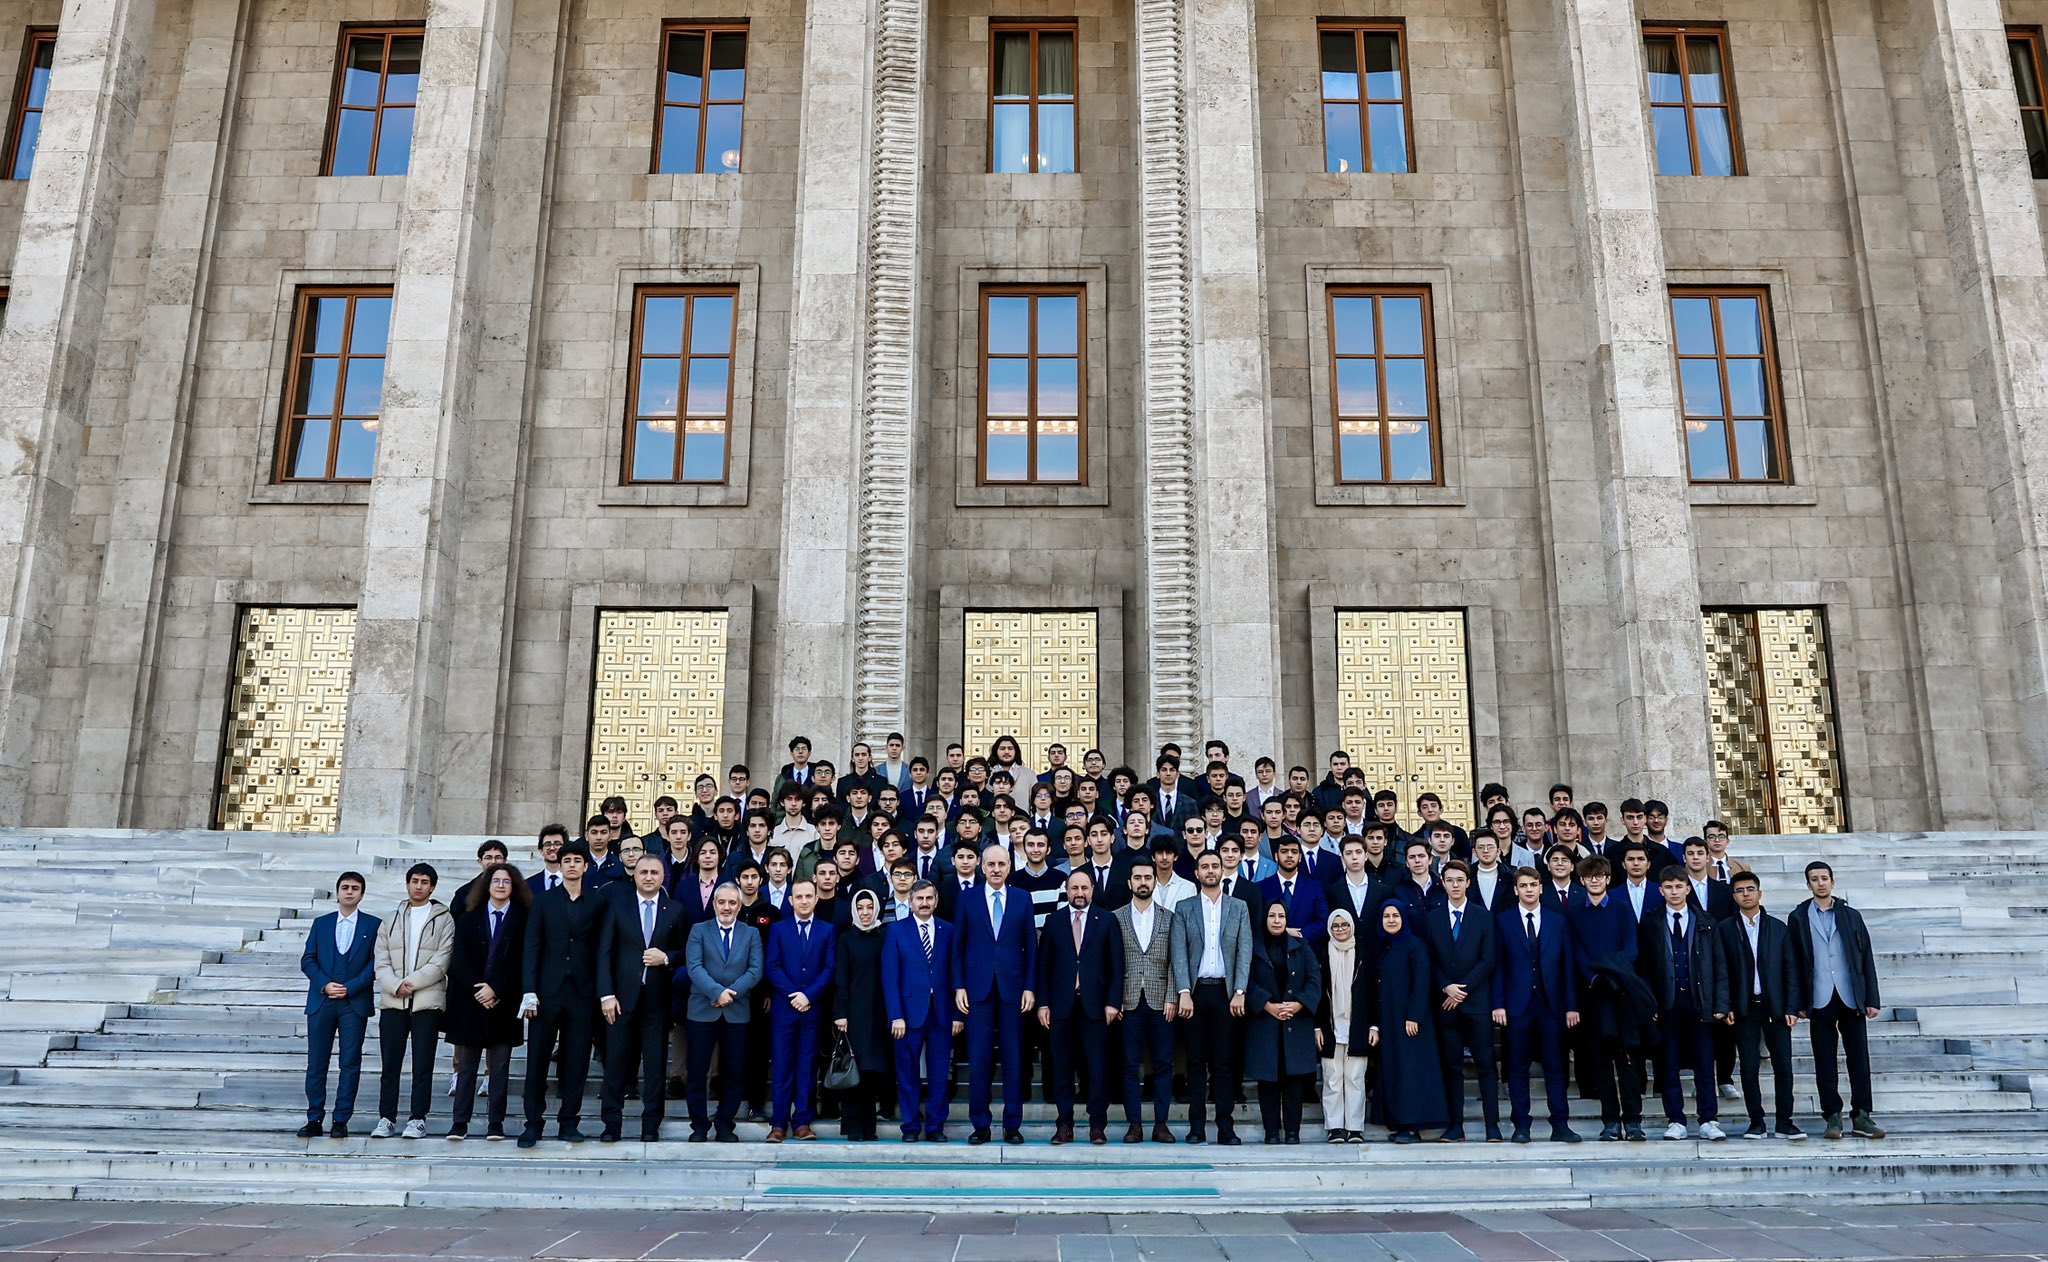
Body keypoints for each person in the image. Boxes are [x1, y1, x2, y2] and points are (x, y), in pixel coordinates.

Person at [1787, 861, 1885, 1140]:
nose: (1820, 883)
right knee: (1824, 1060)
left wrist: (1871, 998)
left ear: (1833, 881)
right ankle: (1832, 1115)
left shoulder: (1851, 915)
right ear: (1808, 884)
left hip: (1850, 995)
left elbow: (1865, 957)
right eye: (1814, 879)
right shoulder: (1798, 917)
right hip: (1819, 997)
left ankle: (1862, 1114)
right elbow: (1793, 962)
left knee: (1858, 1058)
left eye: (1824, 878)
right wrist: (1797, 1002)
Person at [596, 854, 688, 1143]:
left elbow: (685, 951)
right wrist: (606, 994)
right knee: (616, 1065)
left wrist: (667, 958)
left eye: (654, 872)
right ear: (634, 875)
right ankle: (612, 1123)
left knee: (655, 1065)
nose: (648, 877)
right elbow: (604, 953)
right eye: (643, 872)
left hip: (657, 1001)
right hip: (621, 1000)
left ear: (664, 877)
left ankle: (651, 1125)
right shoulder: (616, 907)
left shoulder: (675, 910)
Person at [517, 843, 602, 1147]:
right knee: (537, 1060)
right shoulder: (543, 902)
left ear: (585, 867)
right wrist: (529, 991)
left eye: (577, 861)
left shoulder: (597, 901)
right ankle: (533, 1124)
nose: (571, 866)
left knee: (576, 1061)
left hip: (582, 993)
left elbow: (602, 949)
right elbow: (532, 947)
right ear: (560, 864)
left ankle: (569, 1121)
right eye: (566, 861)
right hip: (546, 993)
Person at [953, 843, 1037, 1145]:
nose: (996, 869)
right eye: (991, 864)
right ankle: (981, 1125)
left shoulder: (1022, 899)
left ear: (1009, 866)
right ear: (982, 867)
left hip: (1014, 990)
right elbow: (958, 947)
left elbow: (1031, 947)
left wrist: (1030, 986)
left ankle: (1012, 1125)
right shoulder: (966, 899)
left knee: (1014, 1059)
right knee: (979, 1060)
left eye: (1002, 864)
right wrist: (959, 986)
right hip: (977, 990)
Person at [1491, 867, 1581, 1145]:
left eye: (1533, 885)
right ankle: (1521, 1125)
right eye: (1523, 886)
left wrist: (1571, 1006)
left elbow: (1568, 965)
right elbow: (1498, 965)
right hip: (1517, 1006)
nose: (1529, 890)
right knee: (1517, 1068)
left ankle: (1561, 1124)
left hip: (1552, 1005)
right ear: (1516, 890)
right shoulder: (1503, 921)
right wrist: (1499, 1004)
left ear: (1541, 888)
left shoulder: (1558, 921)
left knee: (1556, 1067)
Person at [1568, 856, 1654, 1142]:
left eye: (1600, 876)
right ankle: (1610, 1122)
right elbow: (1577, 953)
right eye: (1589, 877)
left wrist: (1610, 973)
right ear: (1582, 880)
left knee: (1627, 1060)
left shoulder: (1621, 909)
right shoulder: (1575, 913)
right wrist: (1595, 977)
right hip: (1593, 995)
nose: (1595, 880)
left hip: (1621, 992)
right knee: (1601, 1063)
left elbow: (1630, 949)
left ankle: (1633, 1121)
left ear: (1607, 879)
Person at [1716, 870, 1807, 1140]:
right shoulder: (1725, 929)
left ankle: (1785, 1121)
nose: (1745, 894)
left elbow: (1791, 969)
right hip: (1744, 1008)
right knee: (1749, 1067)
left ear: (1759, 893)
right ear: (1734, 896)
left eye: (1750, 889)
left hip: (1776, 1007)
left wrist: (1793, 1007)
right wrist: (1725, 1005)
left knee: (1783, 1066)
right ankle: (1756, 1121)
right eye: (1740, 890)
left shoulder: (1778, 928)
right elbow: (1721, 971)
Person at [1037, 868, 1125, 1145]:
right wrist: (1042, 1004)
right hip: (1061, 1007)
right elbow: (1043, 967)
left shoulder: (1107, 920)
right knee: (1062, 1068)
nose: (1079, 893)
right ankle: (1064, 1124)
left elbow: (1116, 965)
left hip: (1096, 1008)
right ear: (1067, 890)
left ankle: (1097, 1125)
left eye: (1084, 888)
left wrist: (1113, 1002)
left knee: (1097, 1069)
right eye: (1074, 888)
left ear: (1092, 890)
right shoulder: (1054, 921)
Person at [1640, 867, 1729, 1141]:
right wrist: (1650, 1004)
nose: (1674, 891)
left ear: (1688, 889)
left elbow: (1719, 965)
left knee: (1704, 1062)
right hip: (1667, 1003)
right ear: (1661, 890)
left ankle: (1708, 1119)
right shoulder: (1651, 922)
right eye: (1669, 887)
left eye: (1679, 886)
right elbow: (1644, 968)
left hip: (1699, 1001)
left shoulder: (1705, 921)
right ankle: (1675, 1119)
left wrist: (1720, 1003)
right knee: (1668, 1063)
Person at [1170, 850, 1252, 1145]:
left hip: (1226, 993)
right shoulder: (1185, 907)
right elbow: (1178, 952)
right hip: (1195, 993)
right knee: (1195, 1062)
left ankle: (1226, 1128)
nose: (1210, 870)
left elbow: (1245, 951)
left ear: (1223, 870)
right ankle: (1196, 1128)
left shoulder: (1238, 907)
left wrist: (1240, 991)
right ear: (1197, 872)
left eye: (1215, 866)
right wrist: (1183, 992)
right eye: (1204, 866)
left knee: (1223, 1063)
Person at [442, 863, 529, 1141]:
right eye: (496, 881)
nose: (501, 885)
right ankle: (459, 1123)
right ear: (486, 885)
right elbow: (457, 960)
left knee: (500, 1069)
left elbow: (521, 962)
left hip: (504, 1003)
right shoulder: (468, 918)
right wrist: (479, 990)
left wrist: (496, 990)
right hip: (471, 1003)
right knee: (467, 1067)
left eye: (506, 881)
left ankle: (496, 1124)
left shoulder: (523, 919)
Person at [371, 862, 454, 1140]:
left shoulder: (444, 919)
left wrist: (412, 983)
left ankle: (418, 1118)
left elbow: (442, 960)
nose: (419, 886)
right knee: (390, 1064)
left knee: (423, 1064)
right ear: (407, 884)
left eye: (425, 882)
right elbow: (380, 960)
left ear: (432, 887)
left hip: (426, 1002)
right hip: (394, 1002)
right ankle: (386, 1118)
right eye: (415, 881)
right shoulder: (390, 919)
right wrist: (396, 985)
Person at [298, 872, 381, 1139]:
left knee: (350, 1062)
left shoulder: (373, 925)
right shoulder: (321, 924)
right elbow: (308, 959)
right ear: (337, 892)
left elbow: (375, 963)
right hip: (322, 1001)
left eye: (355, 888)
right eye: (345, 887)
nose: (349, 892)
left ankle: (341, 1119)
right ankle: (314, 1117)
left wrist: (352, 986)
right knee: (317, 1062)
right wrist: (324, 984)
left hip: (353, 1003)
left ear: (361, 894)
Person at [1422, 860, 1499, 1142]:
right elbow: (1429, 959)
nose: (1455, 885)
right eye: (1450, 880)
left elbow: (1488, 959)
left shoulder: (1483, 916)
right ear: (1442, 883)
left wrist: (1461, 990)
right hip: (1446, 1005)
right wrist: (1446, 987)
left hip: (1476, 1003)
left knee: (1486, 1065)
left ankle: (1493, 1126)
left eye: (1460, 880)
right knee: (1451, 1067)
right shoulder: (1432, 918)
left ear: (1469, 883)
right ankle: (1456, 1126)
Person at [680, 883, 762, 1142]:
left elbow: (755, 970)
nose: (727, 907)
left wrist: (731, 993)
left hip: (736, 1012)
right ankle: (700, 1126)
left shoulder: (751, 934)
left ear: (739, 906)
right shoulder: (698, 931)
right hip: (702, 1011)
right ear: (714, 904)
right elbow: (694, 967)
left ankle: (725, 1123)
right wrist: (717, 992)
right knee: (697, 1071)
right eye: (722, 902)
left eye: (732, 903)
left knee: (734, 1071)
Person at [883, 880, 962, 1141]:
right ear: (911, 901)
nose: (925, 903)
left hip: (942, 1012)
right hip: (907, 1013)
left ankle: (935, 1126)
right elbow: (890, 976)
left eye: (929, 898)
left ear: (936, 901)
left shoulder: (949, 931)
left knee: (940, 1073)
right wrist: (895, 1015)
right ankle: (911, 1126)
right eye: (920, 899)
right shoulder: (896, 931)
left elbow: (956, 974)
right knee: (907, 1072)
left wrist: (957, 1014)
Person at [1366, 901, 1445, 1143]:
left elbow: (1422, 982)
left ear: (1403, 918)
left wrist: (1414, 1016)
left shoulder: (1414, 945)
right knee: (1396, 1072)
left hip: (1411, 1024)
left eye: (1395, 915)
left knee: (1411, 1073)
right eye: (1386, 916)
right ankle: (1401, 1123)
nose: (1391, 920)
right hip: (1390, 1022)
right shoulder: (1385, 947)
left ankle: (1412, 1127)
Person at [764, 877, 837, 1142]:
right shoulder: (779, 930)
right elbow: (772, 966)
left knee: (807, 1067)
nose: (804, 901)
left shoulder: (827, 931)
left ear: (816, 899)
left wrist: (808, 995)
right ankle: (779, 1124)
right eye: (799, 897)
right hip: (785, 1009)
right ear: (791, 900)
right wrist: (793, 994)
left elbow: (829, 968)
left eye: (809, 896)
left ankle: (803, 1121)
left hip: (812, 1009)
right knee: (783, 1066)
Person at [1245, 900, 1322, 1145]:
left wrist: (1298, 1004)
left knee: (1293, 1083)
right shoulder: (1254, 946)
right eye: (1272, 916)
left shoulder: (1300, 945)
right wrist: (1267, 1005)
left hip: (1294, 1022)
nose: (1276, 920)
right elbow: (1246, 981)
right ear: (1265, 919)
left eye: (1281, 916)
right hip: (1265, 1023)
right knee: (1268, 1083)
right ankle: (1271, 1132)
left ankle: (1292, 1132)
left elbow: (1314, 980)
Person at [1114, 858, 1179, 1143]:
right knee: (1129, 1065)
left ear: (1154, 882)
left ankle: (1161, 1124)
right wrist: (1113, 1000)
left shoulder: (1169, 917)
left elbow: (1176, 962)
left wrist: (1173, 997)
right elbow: (1111, 964)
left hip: (1161, 1001)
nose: (1143, 882)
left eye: (1147, 877)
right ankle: (1135, 1125)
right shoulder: (1115, 918)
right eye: (1137, 877)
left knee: (1164, 1064)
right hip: (1127, 1002)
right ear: (1129, 883)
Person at [833, 891, 894, 1141]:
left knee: (871, 1072)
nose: (866, 912)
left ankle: (869, 1127)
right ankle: (852, 1125)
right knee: (853, 1071)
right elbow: (840, 979)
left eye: (870, 907)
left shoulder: (885, 937)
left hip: (879, 1014)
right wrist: (840, 1013)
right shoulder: (847, 939)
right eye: (861, 908)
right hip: (853, 1015)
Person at [1316, 908, 1371, 1142]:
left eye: (1344, 925)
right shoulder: (1321, 954)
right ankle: (1335, 1127)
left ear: (1352, 927)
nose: (1340, 929)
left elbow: (1371, 993)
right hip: (1330, 1026)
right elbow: (1316, 993)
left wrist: (1374, 1026)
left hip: (1357, 1025)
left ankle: (1355, 1127)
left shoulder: (1363, 954)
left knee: (1356, 1078)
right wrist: (1316, 1027)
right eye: (1336, 926)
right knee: (1332, 1077)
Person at [1258, 836, 1329, 946]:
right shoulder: (1262, 887)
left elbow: (1323, 921)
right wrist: (1282, 931)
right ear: (1276, 856)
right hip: (1272, 951)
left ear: (1300, 857)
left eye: (1294, 852)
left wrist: (1300, 934)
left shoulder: (1314, 887)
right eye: (1284, 851)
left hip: (1306, 950)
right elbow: (1258, 922)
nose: (1289, 855)